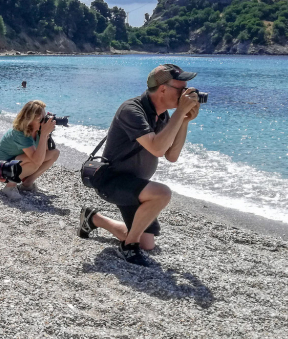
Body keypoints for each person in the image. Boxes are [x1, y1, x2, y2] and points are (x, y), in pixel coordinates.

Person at [78, 64, 200, 266]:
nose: (186, 94)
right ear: (163, 89)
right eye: (181, 90)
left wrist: (184, 120)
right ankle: (128, 247)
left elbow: (171, 155)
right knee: (162, 193)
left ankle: (93, 218)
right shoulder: (132, 110)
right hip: (112, 181)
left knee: (148, 244)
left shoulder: (163, 116)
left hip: (134, 184)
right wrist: (180, 113)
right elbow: (157, 148)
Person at [0, 100, 60, 201]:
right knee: (35, 161)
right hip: (1, 170)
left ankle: (27, 183)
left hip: (15, 164)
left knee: (54, 153)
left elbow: (45, 152)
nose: (43, 121)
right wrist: (43, 134)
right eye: (41, 119)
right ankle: (10, 187)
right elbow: (37, 160)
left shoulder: (37, 131)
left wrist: (46, 134)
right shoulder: (20, 133)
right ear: (29, 119)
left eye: (45, 117)